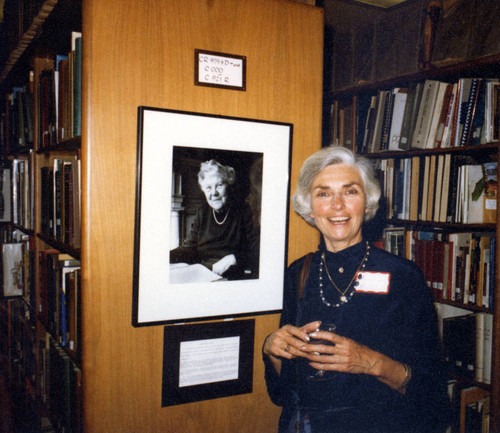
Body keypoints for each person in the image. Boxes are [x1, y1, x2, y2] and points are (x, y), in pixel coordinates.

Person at [263, 146, 451, 433]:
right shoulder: (298, 273)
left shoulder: (403, 277)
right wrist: (273, 350)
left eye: (350, 191)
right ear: (310, 208)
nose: (337, 205)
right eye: (323, 193)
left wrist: (371, 362)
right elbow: (285, 393)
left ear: (366, 203)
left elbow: (431, 392)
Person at [170, 159, 260, 280]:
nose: (214, 193)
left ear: (228, 184)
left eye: (219, 185)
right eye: (208, 188)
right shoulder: (202, 212)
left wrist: (234, 258)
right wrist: (162, 257)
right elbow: (188, 249)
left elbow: (257, 252)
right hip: (204, 275)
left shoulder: (244, 211)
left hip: (232, 278)